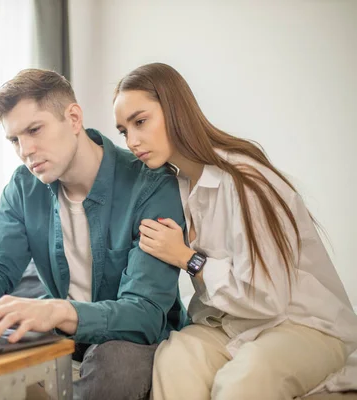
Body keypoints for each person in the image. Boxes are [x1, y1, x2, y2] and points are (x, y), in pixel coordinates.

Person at [0, 68, 186, 400]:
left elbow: (145, 312)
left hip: (128, 334)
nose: (25, 150)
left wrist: (57, 310)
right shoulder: (23, 186)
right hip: (59, 330)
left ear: (74, 118)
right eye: (15, 139)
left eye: (35, 130)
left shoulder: (152, 185)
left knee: (116, 361)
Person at [112, 62, 357, 400]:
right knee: (174, 359)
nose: (133, 141)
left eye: (140, 122)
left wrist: (188, 258)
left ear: (174, 109)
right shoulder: (174, 188)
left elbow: (269, 296)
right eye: (124, 131)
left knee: (244, 380)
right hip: (228, 325)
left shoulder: (247, 180)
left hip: (302, 324)